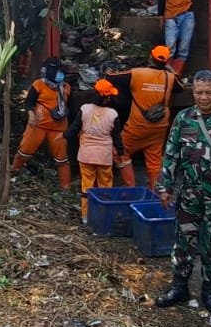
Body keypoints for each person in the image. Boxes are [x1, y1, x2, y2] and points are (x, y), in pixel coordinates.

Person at [155, 70, 211, 317]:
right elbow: (171, 154)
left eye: (209, 92)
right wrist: (165, 186)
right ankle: (179, 287)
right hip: (190, 194)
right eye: (199, 92)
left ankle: (209, 291)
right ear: (193, 92)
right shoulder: (183, 118)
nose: (204, 97)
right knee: (183, 241)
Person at [109, 46, 177, 186]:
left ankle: (131, 188)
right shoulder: (170, 77)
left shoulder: (138, 73)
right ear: (166, 61)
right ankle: (156, 192)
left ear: (151, 57)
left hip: (138, 127)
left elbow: (112, 77)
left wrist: (108, 71)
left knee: (119, 152)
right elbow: (179, 87)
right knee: (154, 161)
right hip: (160, 126)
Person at [11, 57, 72, 190]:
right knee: (24, 151)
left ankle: (66, 186)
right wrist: (30, 114)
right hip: (38, 125)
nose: (59, 73)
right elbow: (29, 102)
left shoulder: (66, 87)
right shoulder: (38, 84)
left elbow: (69, 107)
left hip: (58, 128)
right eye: (56, 71)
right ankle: (13, 174)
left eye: (60, 70)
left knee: (62, 158)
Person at [71, 79, 126, 222]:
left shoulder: (85, 109)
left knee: (87, 186)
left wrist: (64, 135)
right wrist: (120, 152)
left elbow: (74, 129)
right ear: (107, 98)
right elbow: (117, 137)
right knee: (105, 187)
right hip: (104, 157)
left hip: (86, 155)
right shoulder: (112, 114)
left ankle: (85, 216)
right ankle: (104, 215)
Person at [159, 0, 203, 78]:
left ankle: (177, 74)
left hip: (187, 13)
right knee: (170, 46)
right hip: (170, 14)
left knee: (184, 47)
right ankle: (168, 73)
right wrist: (161, 16)